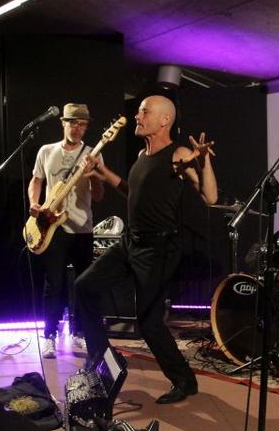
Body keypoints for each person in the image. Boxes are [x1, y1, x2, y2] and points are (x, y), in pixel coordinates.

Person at [76, 95, 217, 404]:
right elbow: (133, 192)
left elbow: (210, 197)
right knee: (84, 286)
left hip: (159, 248)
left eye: (144, 112)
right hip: (131, 242)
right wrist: (103, 173)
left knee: (149, 321)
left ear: (164, 120)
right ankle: (102, 359)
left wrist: (204, 161)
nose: (137, 117)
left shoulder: (177, 154)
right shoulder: (143, 154)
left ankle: (184, 381)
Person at [28, 103, 104, 358]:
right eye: (73, 122)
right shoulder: (46, 151)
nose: (77, 128)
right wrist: (34, 202)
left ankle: (79, 332)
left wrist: (94, 176)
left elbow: (99, 196)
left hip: (82, 227)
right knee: (54, 284)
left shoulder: (93, 153)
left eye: (82, 124)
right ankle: (49, 334)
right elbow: (36, 180)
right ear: (63, 123)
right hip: (53, 226)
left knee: (83, 283)